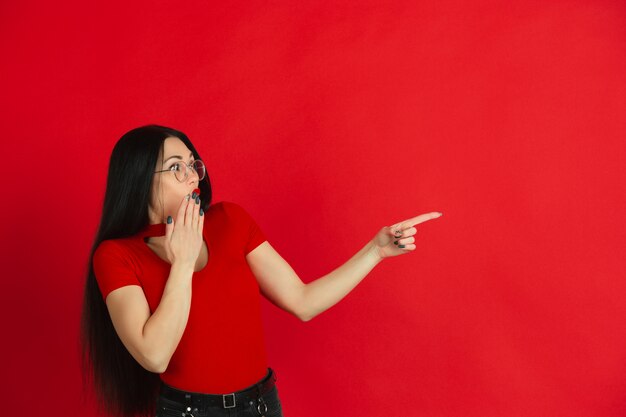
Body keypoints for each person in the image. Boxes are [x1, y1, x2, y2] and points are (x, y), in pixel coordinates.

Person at [79, 124, 443, 417]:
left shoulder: (230, 221)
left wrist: (375, 251)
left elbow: (303, 302)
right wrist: (183, 264)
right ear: (141, 179)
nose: (193, 176)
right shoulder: (116, 256)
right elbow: (154, 354)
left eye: (193, 164)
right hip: (187, 411)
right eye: (177, 167)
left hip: (261, 405)